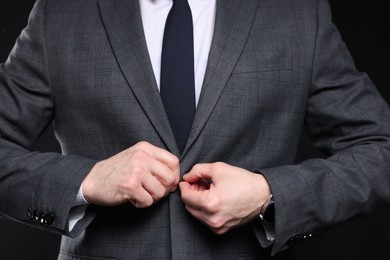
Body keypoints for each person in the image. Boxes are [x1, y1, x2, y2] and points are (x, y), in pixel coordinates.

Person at [1, 0, 389, 259]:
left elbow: (381, 150)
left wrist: (268, 195)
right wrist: (86, 180)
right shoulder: (61, 14)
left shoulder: (297, 12)